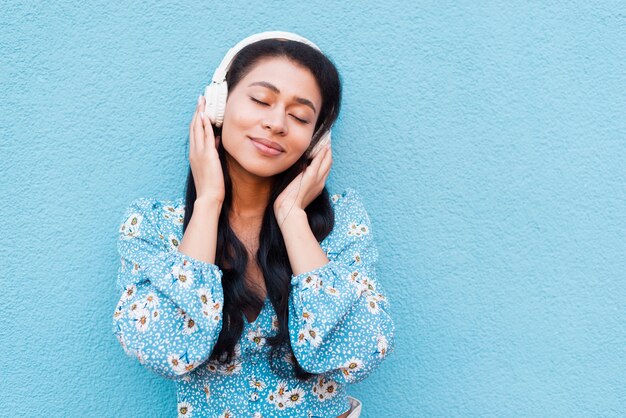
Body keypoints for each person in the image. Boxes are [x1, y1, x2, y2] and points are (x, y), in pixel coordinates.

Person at [112, 31, 395, 418]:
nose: (277, 123)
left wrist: (293, 217)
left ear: (315, 139)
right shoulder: (154, 226)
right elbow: (167, 350)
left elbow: (360, 352)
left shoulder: (342, 224)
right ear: (218, 106)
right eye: (261, 100)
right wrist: (208, 203)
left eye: (299, 116)